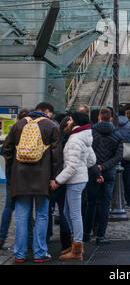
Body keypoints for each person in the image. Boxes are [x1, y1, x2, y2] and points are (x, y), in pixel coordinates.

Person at [1, 102, 62, 263]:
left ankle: (19, 254)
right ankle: (39, 252)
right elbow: (56, 157)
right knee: (42, 215)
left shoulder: (18, 125)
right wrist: (54, 177)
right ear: (46, 112)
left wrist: (14, 166)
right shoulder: (51, 126)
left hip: (20, 178)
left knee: (21, 216)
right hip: (42, 178)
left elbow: (6, 149)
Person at [50, 112, 97, 262]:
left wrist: (57, 181)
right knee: (68, 212)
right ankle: (75, 244)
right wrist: (82, 163)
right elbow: (92, 160)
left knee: (75, 215)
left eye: (70, 119)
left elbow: (71, 167)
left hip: (75, 181)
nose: (68, 121)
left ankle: (77, 249)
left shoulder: (75, 139)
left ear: (75, 122)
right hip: (78, 179)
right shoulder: (82, 136)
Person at [83, 108, 123, 245]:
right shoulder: (117, 135)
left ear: (99, 117)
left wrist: (96, 167)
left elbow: (87, 153)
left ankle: (86, 233)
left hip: (92, 171)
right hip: (109, 172)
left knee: (91, 203)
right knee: (105, 205)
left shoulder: (91, 133)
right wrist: (104, 167)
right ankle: (101, 235)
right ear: (110, 118)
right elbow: (118, 156)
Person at [0, 109, 31, 251]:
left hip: (12, 172)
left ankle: (1, 237)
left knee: (9, 205)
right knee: (28, 206)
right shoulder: (31, 132)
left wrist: (12, 162)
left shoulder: (13, 131)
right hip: (27, 174)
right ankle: (30, 239)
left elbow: (4, 150)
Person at [47, 115, 72, 254]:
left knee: (47, 209)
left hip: (52, 178)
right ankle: (66, 243)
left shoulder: (54, 140)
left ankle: (46, 235)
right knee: (64, 210)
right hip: (64, 179)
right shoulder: (71, 140)